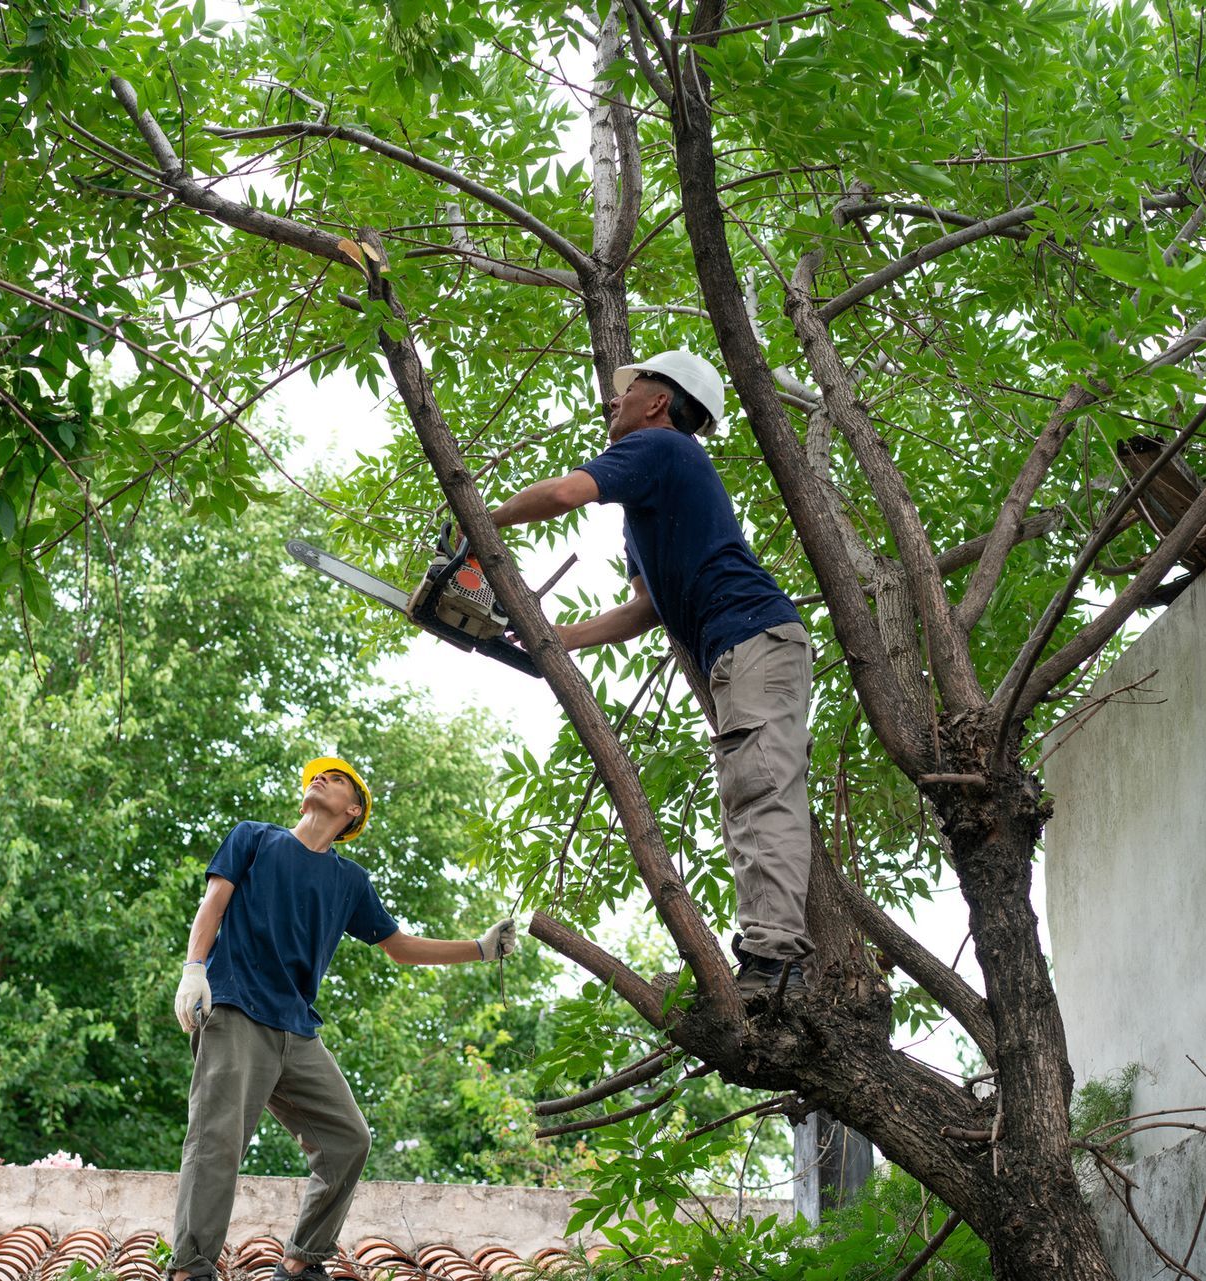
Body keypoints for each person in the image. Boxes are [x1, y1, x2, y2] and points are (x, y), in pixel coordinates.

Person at [488, 350, 812, 994]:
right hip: (736, 648)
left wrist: (480, 519)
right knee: (747, 790)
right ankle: (767, 954)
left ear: (658, 403)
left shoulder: (662, 448)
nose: (615, 400)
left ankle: (776, 962)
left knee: (761, 787)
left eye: (627, 389)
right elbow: (645, 610)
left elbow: (562, 493)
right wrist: (550, 638)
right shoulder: (645, 509)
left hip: (754, 637)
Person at [170, 756, 517, 1281]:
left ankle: (301, 1261)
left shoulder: (349, 881)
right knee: (217, 1140)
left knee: (348, 1139)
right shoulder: (255, 838)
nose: (320, 779)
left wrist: (480, 949)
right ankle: (190, 1268)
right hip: (237, 1009)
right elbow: (213, 904)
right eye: (317, 776)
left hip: (297, 1028)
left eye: (335, 779)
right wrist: (194, 969)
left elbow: (399, 947)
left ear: (352, 810)